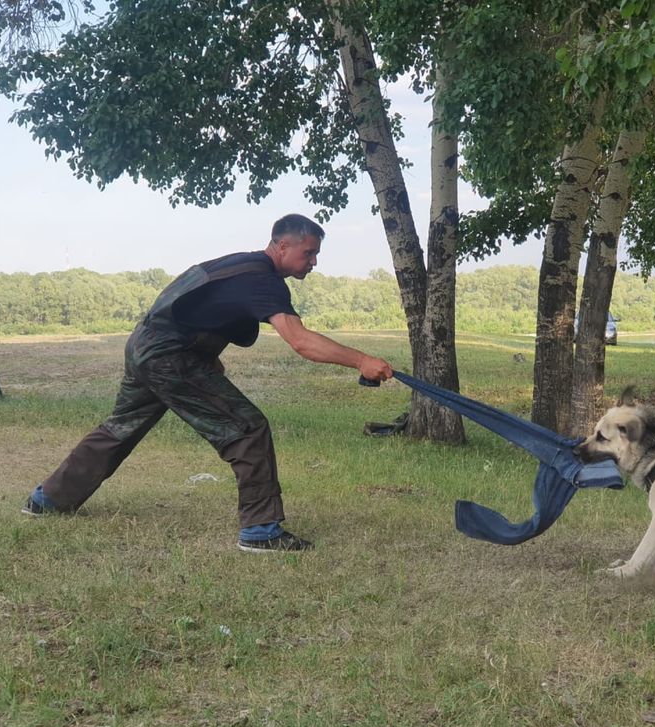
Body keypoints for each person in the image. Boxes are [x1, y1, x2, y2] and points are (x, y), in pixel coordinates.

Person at [23, 214, 393, 552]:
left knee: (121, 426)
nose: (313, 262)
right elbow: (300, 341)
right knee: (247, 428)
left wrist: (204, 358)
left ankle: (48, 500)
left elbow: (192, 307)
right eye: (309, 253)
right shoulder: (263, 280)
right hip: (169, 357)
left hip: (145, 346)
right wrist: (362, 360)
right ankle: (261, 531)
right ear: (282, 245)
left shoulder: (238, 265)